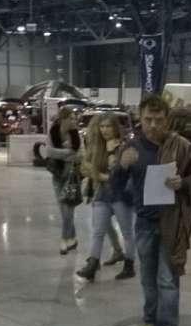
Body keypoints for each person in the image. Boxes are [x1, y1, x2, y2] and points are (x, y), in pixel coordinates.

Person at [120, 94, 191, 326]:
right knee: (148, 277)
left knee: (168, 278)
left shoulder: (182, 147)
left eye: (159, 120)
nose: (153, 125)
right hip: (144, 223)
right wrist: (121, 167)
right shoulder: (132, 148)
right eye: (148, 119)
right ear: (140, 118)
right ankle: (150, 319)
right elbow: (115, 186)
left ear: (167, 120)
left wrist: (184, 183)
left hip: (171, 224)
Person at [77, 114, 135, 282]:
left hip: (121, 195)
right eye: (102, 126)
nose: (104, 130)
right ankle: (92, 264)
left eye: (108, 126)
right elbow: (85, 167)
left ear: (115, 128)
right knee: (98, 231)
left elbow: (116, 171)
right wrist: (100, 175)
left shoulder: (124, 146)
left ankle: (129, 265)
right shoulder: (98, 146)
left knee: (127, 232)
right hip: (102, 193)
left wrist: (109, 155)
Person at [48, 107, 81, 255]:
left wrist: (62, 153)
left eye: (75, 118)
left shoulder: (75, 134)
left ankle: (64, 239)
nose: (74, 121)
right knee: (64, 211)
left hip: (72, 177)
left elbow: (80, 155)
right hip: (57, 175)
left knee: (68, 210)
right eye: (71, 118)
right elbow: (50, 152)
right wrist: (68, 151)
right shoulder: (53, 132)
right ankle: (72, 238)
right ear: (63, 119)